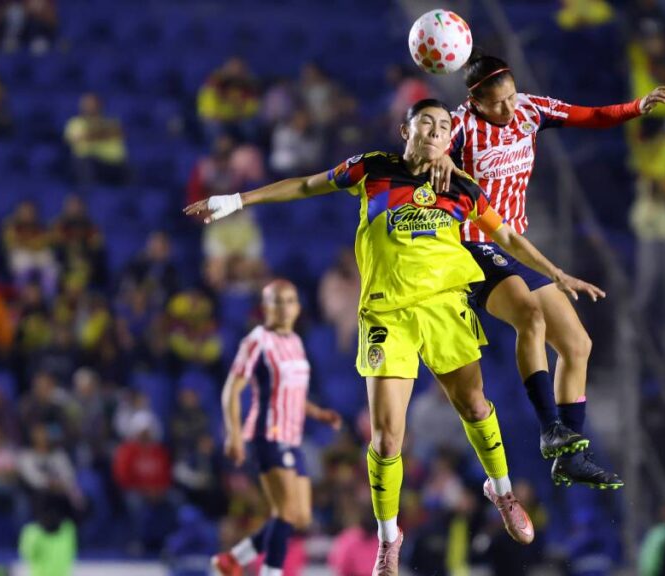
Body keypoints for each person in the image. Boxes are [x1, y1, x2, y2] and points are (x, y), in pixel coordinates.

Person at [187, 98, 604, 575]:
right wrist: (237, 200)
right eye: (424, 122)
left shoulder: (462, 187)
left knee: (475, 407)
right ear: (405, 129)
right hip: (387, 315)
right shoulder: (372, 169)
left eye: (443, 125)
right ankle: (389, 540)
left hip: (444, 308)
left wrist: (555, 272)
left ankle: (502, 491)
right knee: (387, 439)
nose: (434, 130)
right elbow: (306, 184)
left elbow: (505, 237)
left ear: (450, 140)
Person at [429, 51, 665, 489]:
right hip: (470, 246)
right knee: (532, 316)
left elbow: (591, 116)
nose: (507, 108)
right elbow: (424, 148)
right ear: (475, 101)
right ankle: (549, 429)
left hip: (515, 245)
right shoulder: (459, 124)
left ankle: (571, 454)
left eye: (510, 96)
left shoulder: (530, 109)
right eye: (497, 103)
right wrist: (439, 157)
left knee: (578, 345)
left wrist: (636, 107)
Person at [209, 279, 342, 576]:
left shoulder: (295, 341)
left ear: (298, 306)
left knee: (301, 516)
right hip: (268, 434)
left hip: (293, 437)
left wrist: (319, 413)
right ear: (265, 306)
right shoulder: (257, 341)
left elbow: (293, 392)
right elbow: (232, 388)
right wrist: (233, 434)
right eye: (276, 301)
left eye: (290, 300)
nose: (284, 307)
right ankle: (270, 572)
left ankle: (232, 559)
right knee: (285, 512)